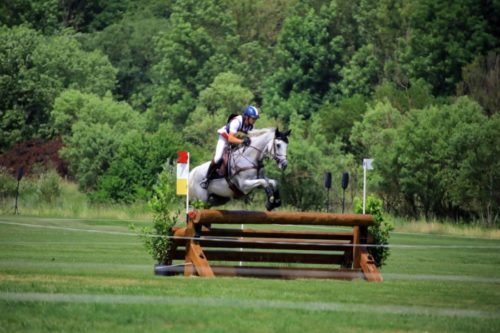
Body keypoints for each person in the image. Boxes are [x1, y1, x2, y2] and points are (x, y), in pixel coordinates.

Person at [200, 105, 260, 189]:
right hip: (225, 138)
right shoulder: (237, 121)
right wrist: (242, 141)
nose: (254, 121)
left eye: (255, 119)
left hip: (236, 141)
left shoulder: (251, 126)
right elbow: (230, 139)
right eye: (253, 118)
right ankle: (206, 178)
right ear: (247, 117)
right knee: (217, 158)